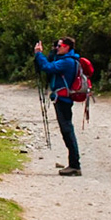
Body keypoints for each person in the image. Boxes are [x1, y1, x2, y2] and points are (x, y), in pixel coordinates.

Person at [34, 37, 83, 175]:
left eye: (60, 45)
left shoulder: (67, 62)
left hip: (63, 100)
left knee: (67, 130)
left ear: (67, 47)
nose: (58, 48)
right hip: (62, 98)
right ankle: (74, 164)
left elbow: (48, 68)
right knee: (67, 130)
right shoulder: (67, 59)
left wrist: (38, 54)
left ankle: (75, 165)